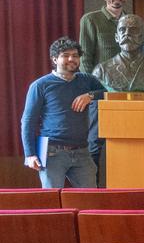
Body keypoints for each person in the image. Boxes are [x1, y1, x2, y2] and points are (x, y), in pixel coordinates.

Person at [21, 37, 104, 188]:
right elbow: (28, 121)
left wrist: (90, 96)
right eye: (65, 55)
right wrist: (30, 154)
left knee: (90, 198)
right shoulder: (40, 85)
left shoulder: (87, 80)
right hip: (51, 152)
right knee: (53, 199)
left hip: (82, 151)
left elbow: (108, 94)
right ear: (55, 59)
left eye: (75, 55)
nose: (71, 59)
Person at [79, 0, 127, 73]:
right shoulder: (90, 19)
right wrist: (90, 80)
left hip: (129, 79)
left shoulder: (132, 21)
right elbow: (84, 57)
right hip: (101, 80)